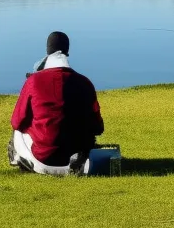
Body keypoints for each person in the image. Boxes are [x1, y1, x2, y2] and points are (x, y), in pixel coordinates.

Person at [8, 31, 104, 174]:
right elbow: (98, 128)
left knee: (17, 131)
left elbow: (17, 122)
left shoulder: (33, 81)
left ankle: (21, 159)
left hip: (42, 158)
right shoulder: (85, 83)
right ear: (67, 51)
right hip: (76, 159)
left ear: (47, 51)